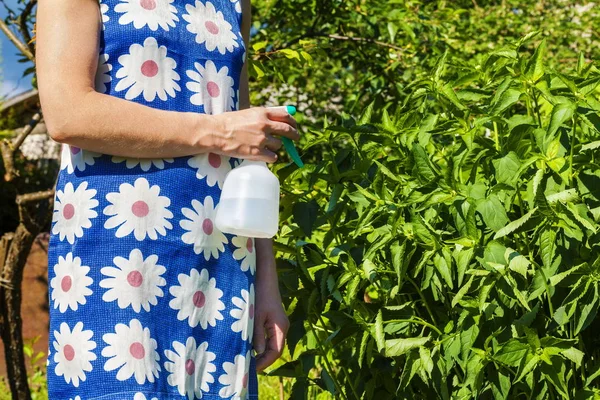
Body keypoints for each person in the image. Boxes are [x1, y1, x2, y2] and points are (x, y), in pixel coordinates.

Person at [35, 0, 296, 398]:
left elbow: (245, 144)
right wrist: (219, 131)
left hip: (221, 265)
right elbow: (68, 113)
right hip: (114, 260)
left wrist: (267, 281)